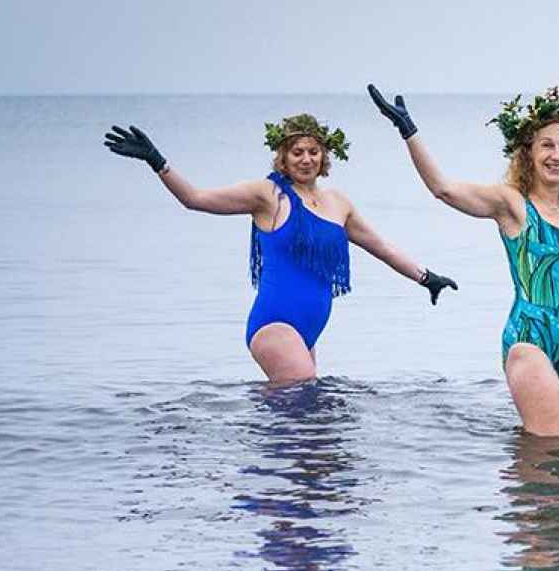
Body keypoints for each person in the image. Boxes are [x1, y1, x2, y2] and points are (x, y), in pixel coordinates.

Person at [103, 116, 455, 385]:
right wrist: (157, 161)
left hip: (308, 331)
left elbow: (380, 245)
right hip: (275, 326)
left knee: (305, 436)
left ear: (325, 156)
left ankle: (275, 478)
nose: (306, 159)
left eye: (313, 152)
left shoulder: (337, 203)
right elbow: (194, 199)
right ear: (283, 158)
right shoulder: (267, 195)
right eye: (297, 152)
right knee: (304, 405)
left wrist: (426, 278)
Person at [368, 78, 559, 436]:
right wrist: (409, 131)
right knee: (550, 445)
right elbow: (443, 189)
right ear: (528, 152)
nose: (557, 155)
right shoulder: (512, 204)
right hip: (530, 339)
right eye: (547, 146)